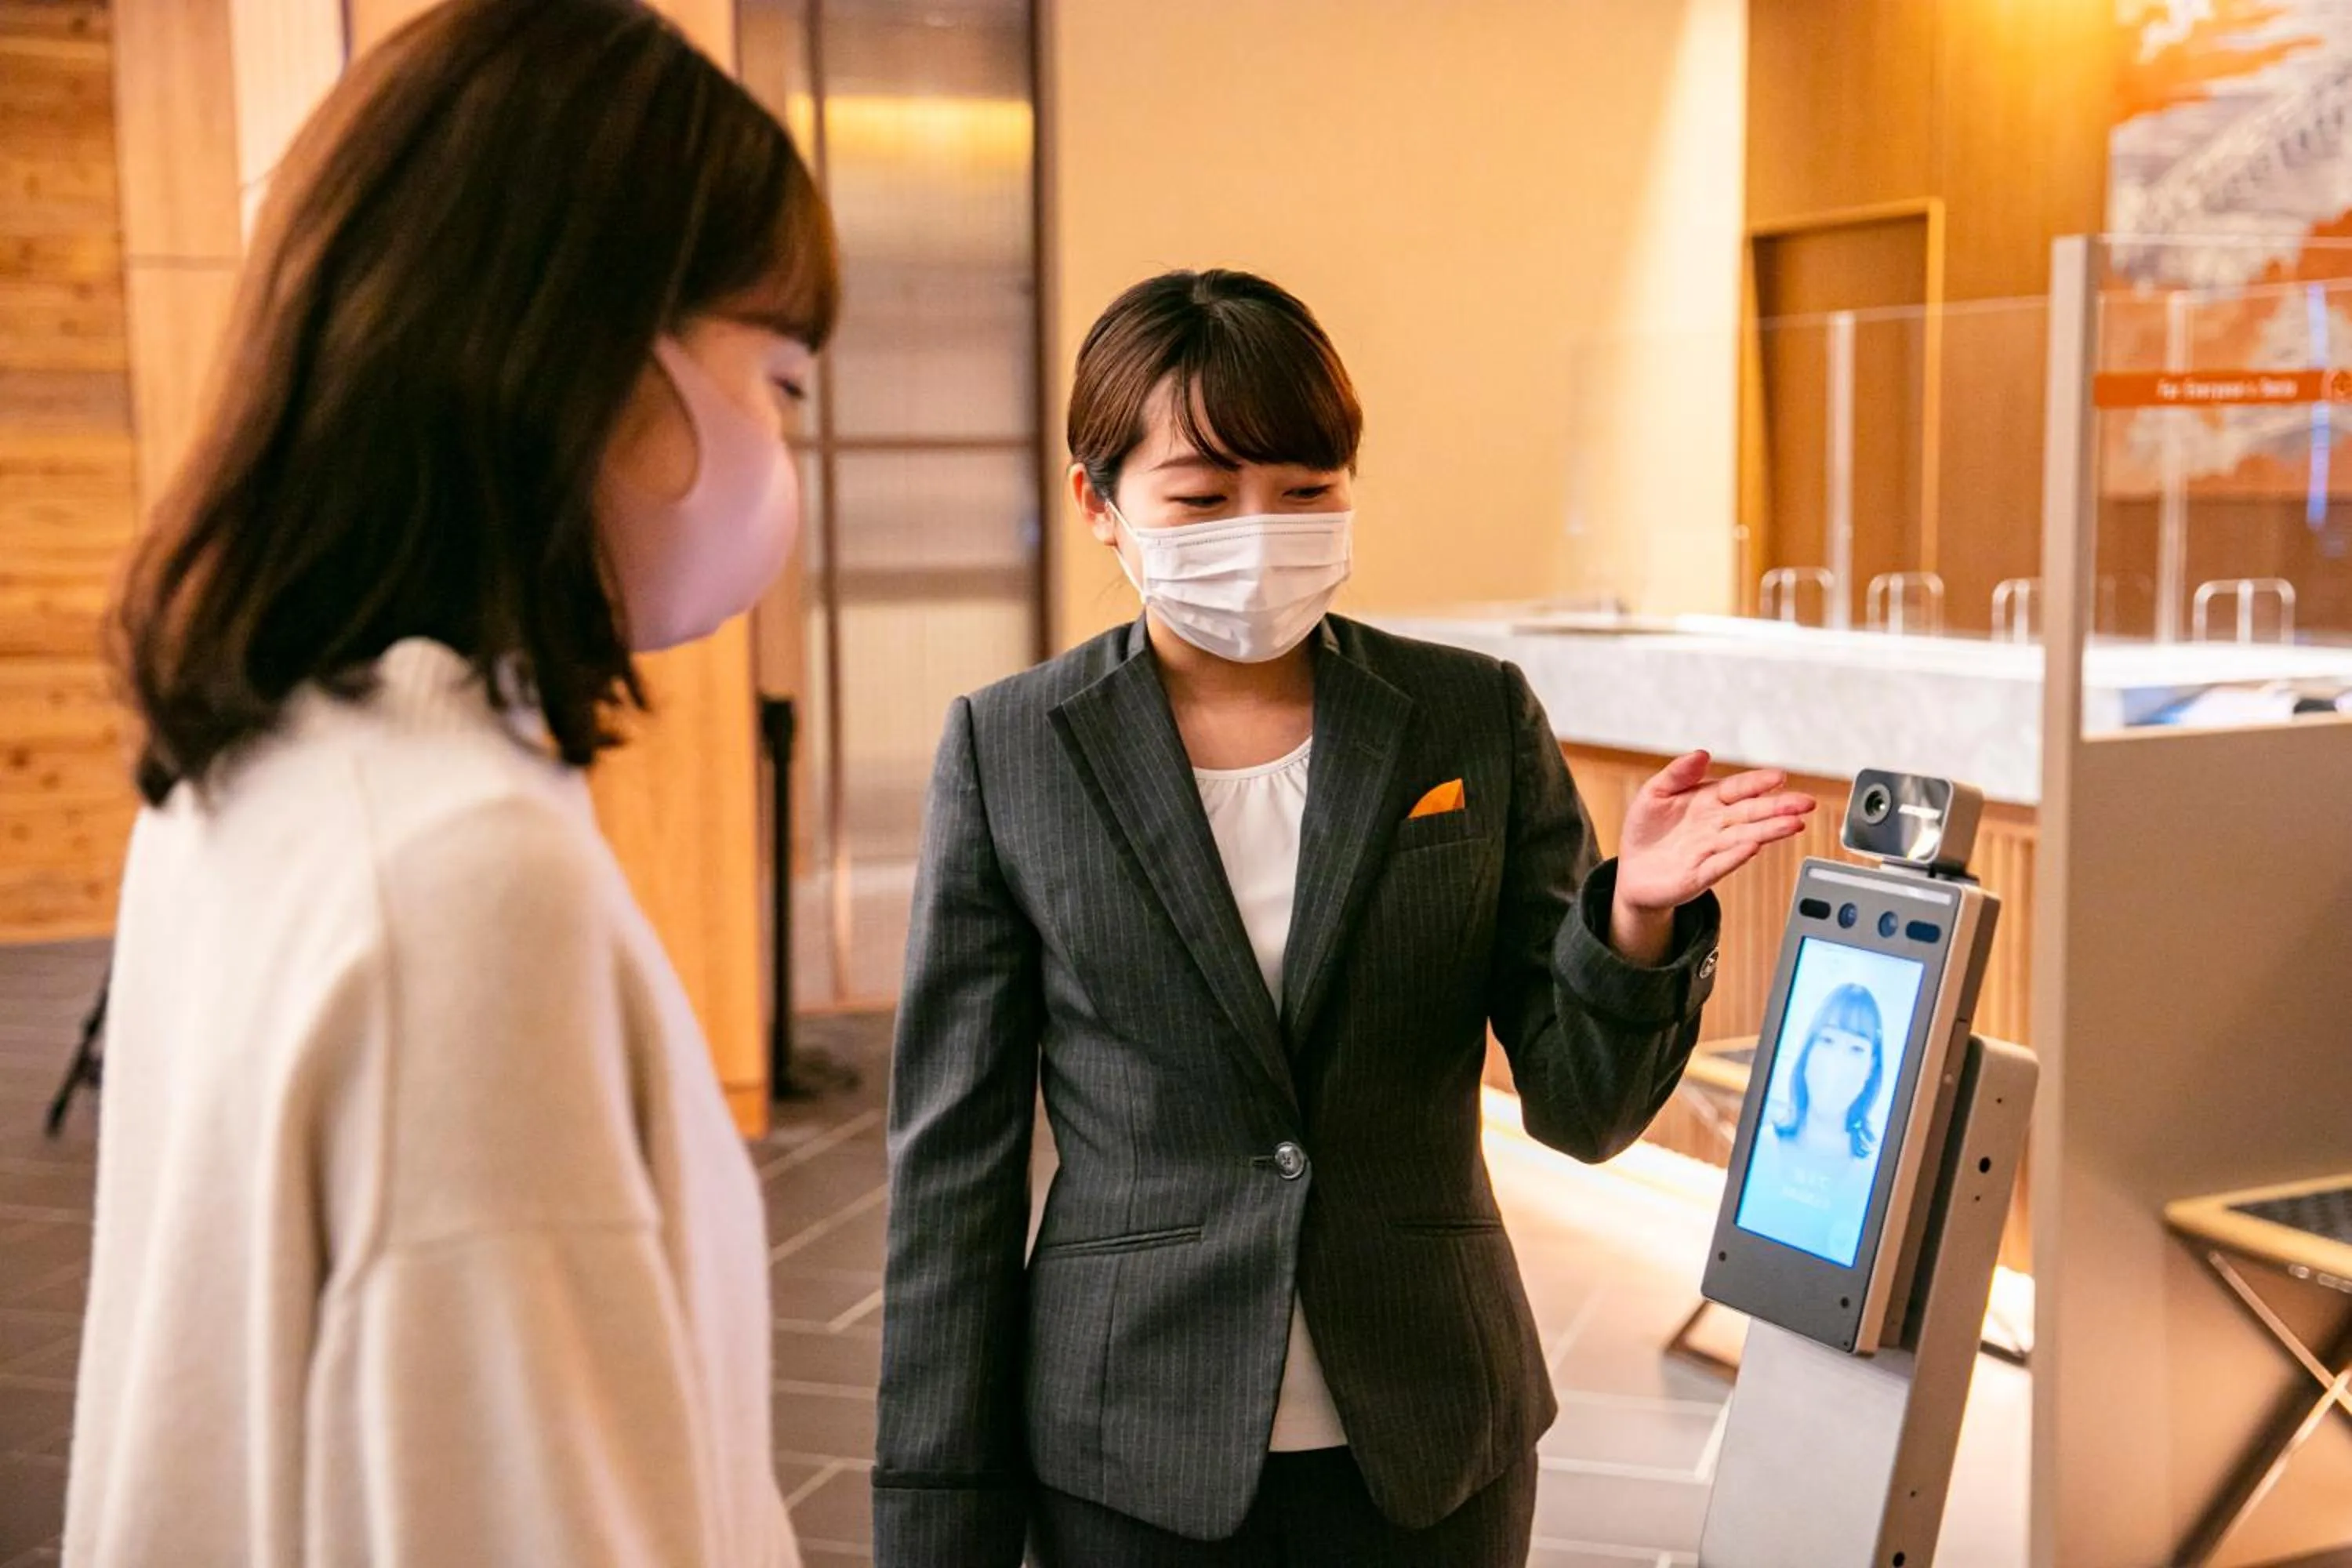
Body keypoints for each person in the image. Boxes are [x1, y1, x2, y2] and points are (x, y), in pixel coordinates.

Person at [873, 269, 1814, 1566]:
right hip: (1128, 1444)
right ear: (1098, 503)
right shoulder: (1013, 749)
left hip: (1431, 1436)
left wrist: (1636, 923)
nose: (1260, 532)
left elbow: (1582, 1111)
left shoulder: (1470, 718)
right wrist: (935, 1527)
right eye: (1203, 498)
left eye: (1305, 490)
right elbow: (952, 1174)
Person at [64, 3, 837, 1564]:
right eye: (780, 378)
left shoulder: (252, 769)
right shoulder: (464, 882)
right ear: (590, 359)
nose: (781, 444)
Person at [1743, 983, 1889, 1265]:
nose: (1838, 1062)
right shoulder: (1762, 1147)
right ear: (1808, 1050)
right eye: (1828, 1040)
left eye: (1856, 1049)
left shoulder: (1874, 1175)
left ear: (1871, 1067)